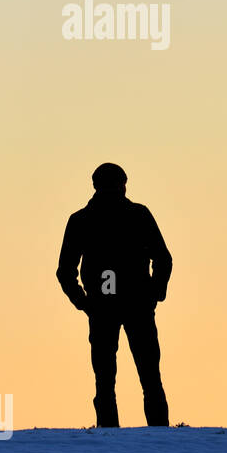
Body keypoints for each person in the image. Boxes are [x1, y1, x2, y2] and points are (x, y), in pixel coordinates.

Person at [57, 163, 173, 427]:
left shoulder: (83, 220)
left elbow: (65, 272)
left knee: (109, 378)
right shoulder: (136, 215)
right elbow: (164, 260)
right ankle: (155, 436)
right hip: (126, 307)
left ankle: (111, 434)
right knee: (146, 377)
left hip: (112, 307)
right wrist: (154, 294)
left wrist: (84, 302)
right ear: (124, 184)